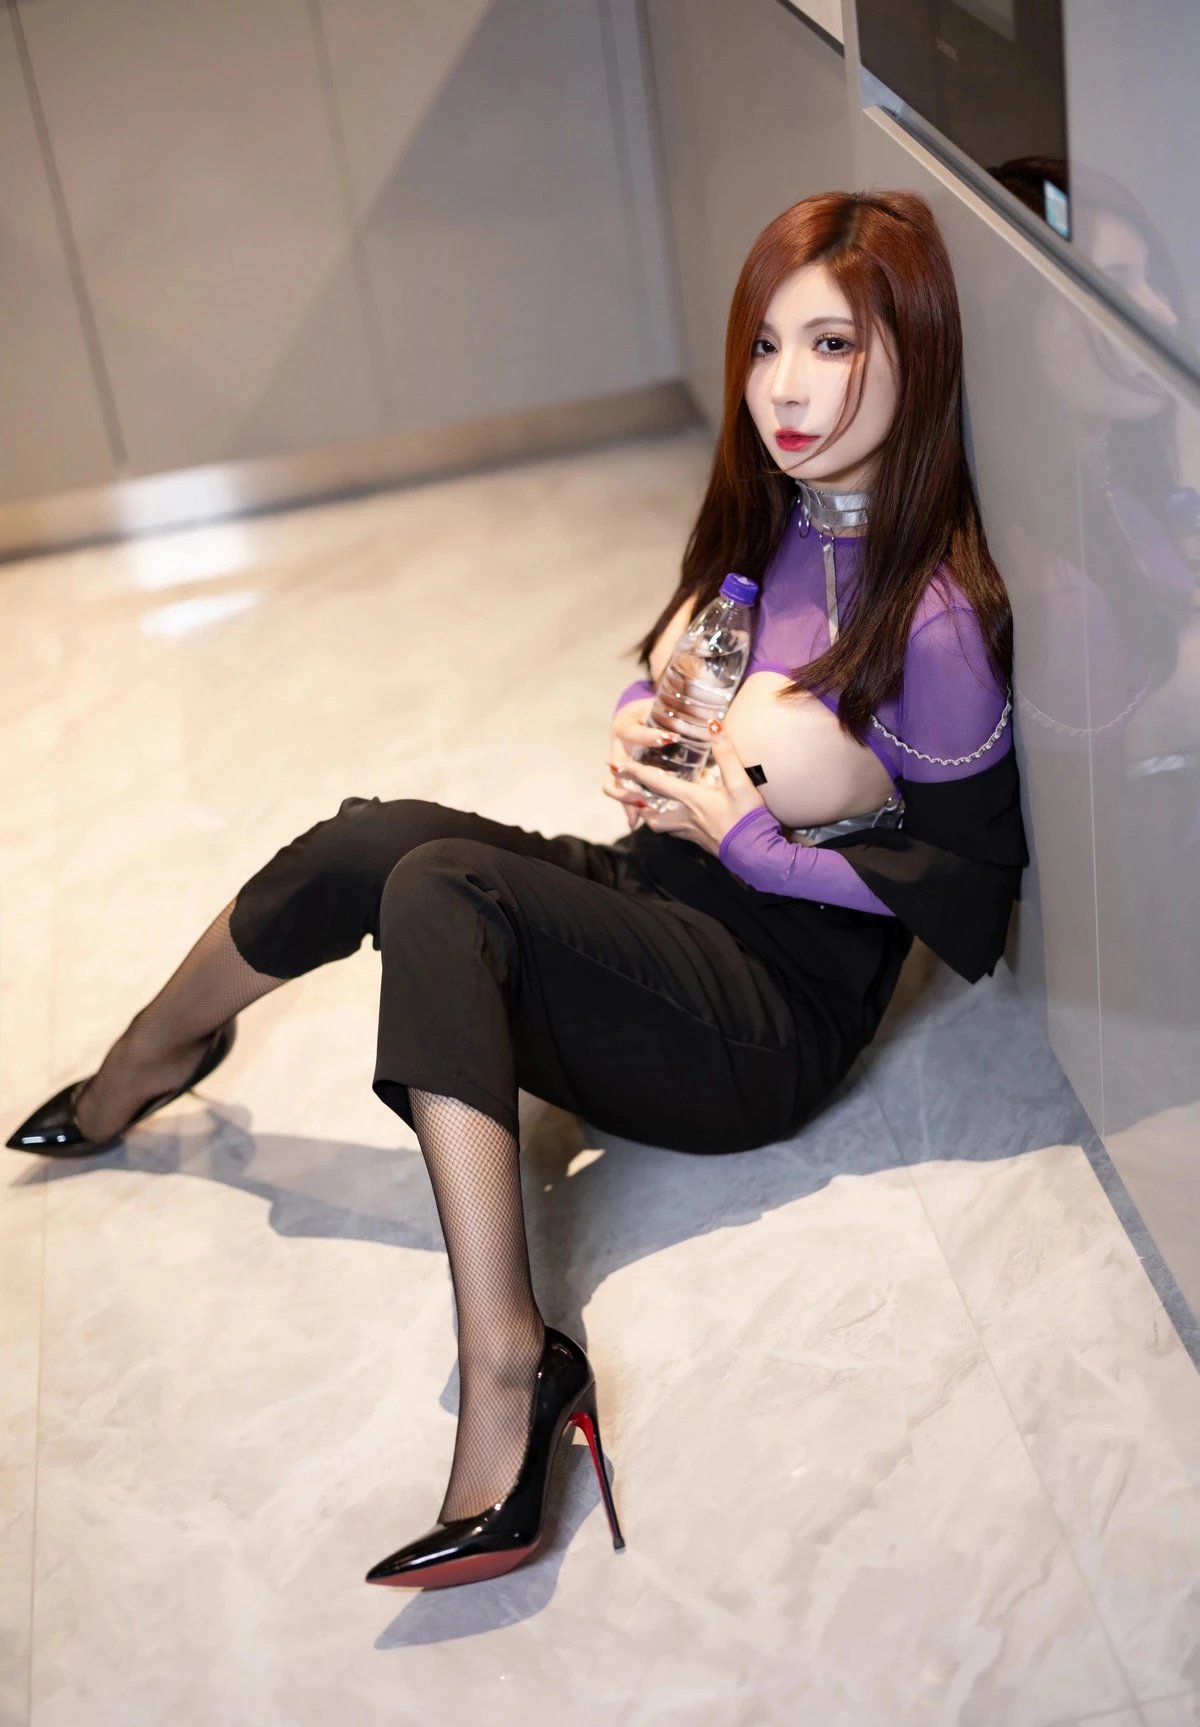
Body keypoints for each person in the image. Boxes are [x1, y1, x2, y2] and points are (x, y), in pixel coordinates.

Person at [7, 191, 1027, 1591]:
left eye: (833, 345)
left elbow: (969, 892)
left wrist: (753, 843)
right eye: (764, 344)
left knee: (445, 893)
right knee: (375, 840)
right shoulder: (776, 517)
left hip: (762, 1022)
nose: (784, 389)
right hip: (658, 900)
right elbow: (677, 670)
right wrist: (637, 721)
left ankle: (511, 1369)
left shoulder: (937, 618)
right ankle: (152, 1054)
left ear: (916, 350)